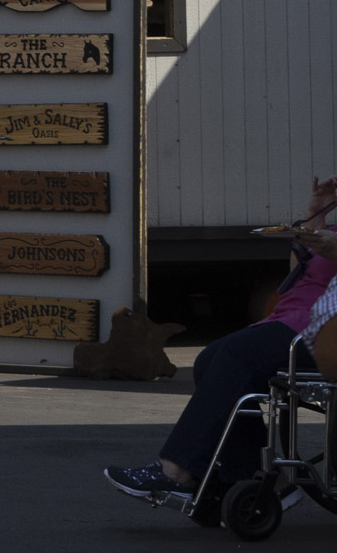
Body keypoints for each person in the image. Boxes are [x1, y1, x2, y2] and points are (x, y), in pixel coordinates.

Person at [104, 177, 337, 508]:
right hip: (293, 319)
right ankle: (257, 479)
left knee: (235, 354)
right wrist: (315, 218)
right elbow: (300, 276)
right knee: (210, 360)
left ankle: (174, 471)